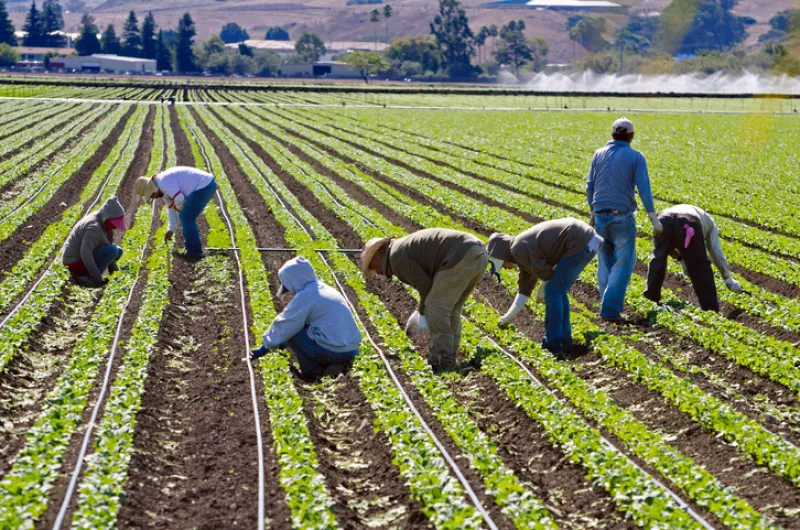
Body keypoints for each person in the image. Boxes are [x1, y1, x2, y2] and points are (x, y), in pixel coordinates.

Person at [361, 228, 489, 370]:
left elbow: (425, 285)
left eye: (373, 265)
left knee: (436, 307)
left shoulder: (396, 257)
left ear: (379, 253)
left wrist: (422, 311)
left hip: (462, 256)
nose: (377, 272)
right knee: (451, 309)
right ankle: (449, 356)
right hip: (477, 252)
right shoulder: (399, 249)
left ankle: (441, 361)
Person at [487, 219, 603, 355]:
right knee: (558, 290)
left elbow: (546, 273)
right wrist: (508, 317)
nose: (505, 268)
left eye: (502, 265)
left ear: (501, 255)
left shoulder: (518, 248)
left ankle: (552, 344)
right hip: (585, 239)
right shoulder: (519, 250)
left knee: (553, 291)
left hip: (578, 241)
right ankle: (565, 340)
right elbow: (525, 289)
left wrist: (546, 288)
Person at [586, 117, 662, 322]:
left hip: (600, 215)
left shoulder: (598, 154)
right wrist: (653, 218)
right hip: (622, 216)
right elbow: (643, 188)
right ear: (631, 136)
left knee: (605, 260)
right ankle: (610, 310)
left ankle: (605, 302)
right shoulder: (636, 157)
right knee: (624, 262)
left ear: (612, 135)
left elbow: (590, 187)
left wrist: (593, 215)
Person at [249, 257, 361, 379]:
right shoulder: (324, 289)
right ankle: (340, 365)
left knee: (293, 332)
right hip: (352, 349)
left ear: (293, 281)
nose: (290, 292)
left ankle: (313, 370)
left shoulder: (306, 296)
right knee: (302, 328)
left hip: (333, 350)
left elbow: (286, 324)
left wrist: (265, 347)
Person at [643, 204, 742, 312]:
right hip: (688, 222)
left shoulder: (680, 210)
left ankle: (651, 297)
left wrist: (681, 258)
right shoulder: (710, 224)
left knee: (659, 257)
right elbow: (715, 251)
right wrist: (727, 277)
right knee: (700, 266)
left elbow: (670, 248)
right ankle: (710, 308)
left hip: (663, 220)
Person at [135, 166, 217, 261]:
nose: (154, 197)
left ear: (152, 189)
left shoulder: (163, 182)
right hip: (204, 185)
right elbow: (171, 209)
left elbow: (179, 198)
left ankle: (194, 252)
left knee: (186, 217)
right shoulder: (163, 190)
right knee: (185, 217)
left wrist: (179, 208)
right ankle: (191, 249)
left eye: (152, 195)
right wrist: (171, 229)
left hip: (204, 185)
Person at [63, 197, 126, 287]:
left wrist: (115, 273)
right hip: (74, 261)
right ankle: (88, 277)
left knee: (118, 251)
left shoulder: (102, 219)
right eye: (114, 224)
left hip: (81, 258)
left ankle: (91, 274)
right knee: (113, 250)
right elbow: (85, 253)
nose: (115, 227)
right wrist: (97, 278)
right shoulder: (94, 228)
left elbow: (108, 245)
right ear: (108, 219)